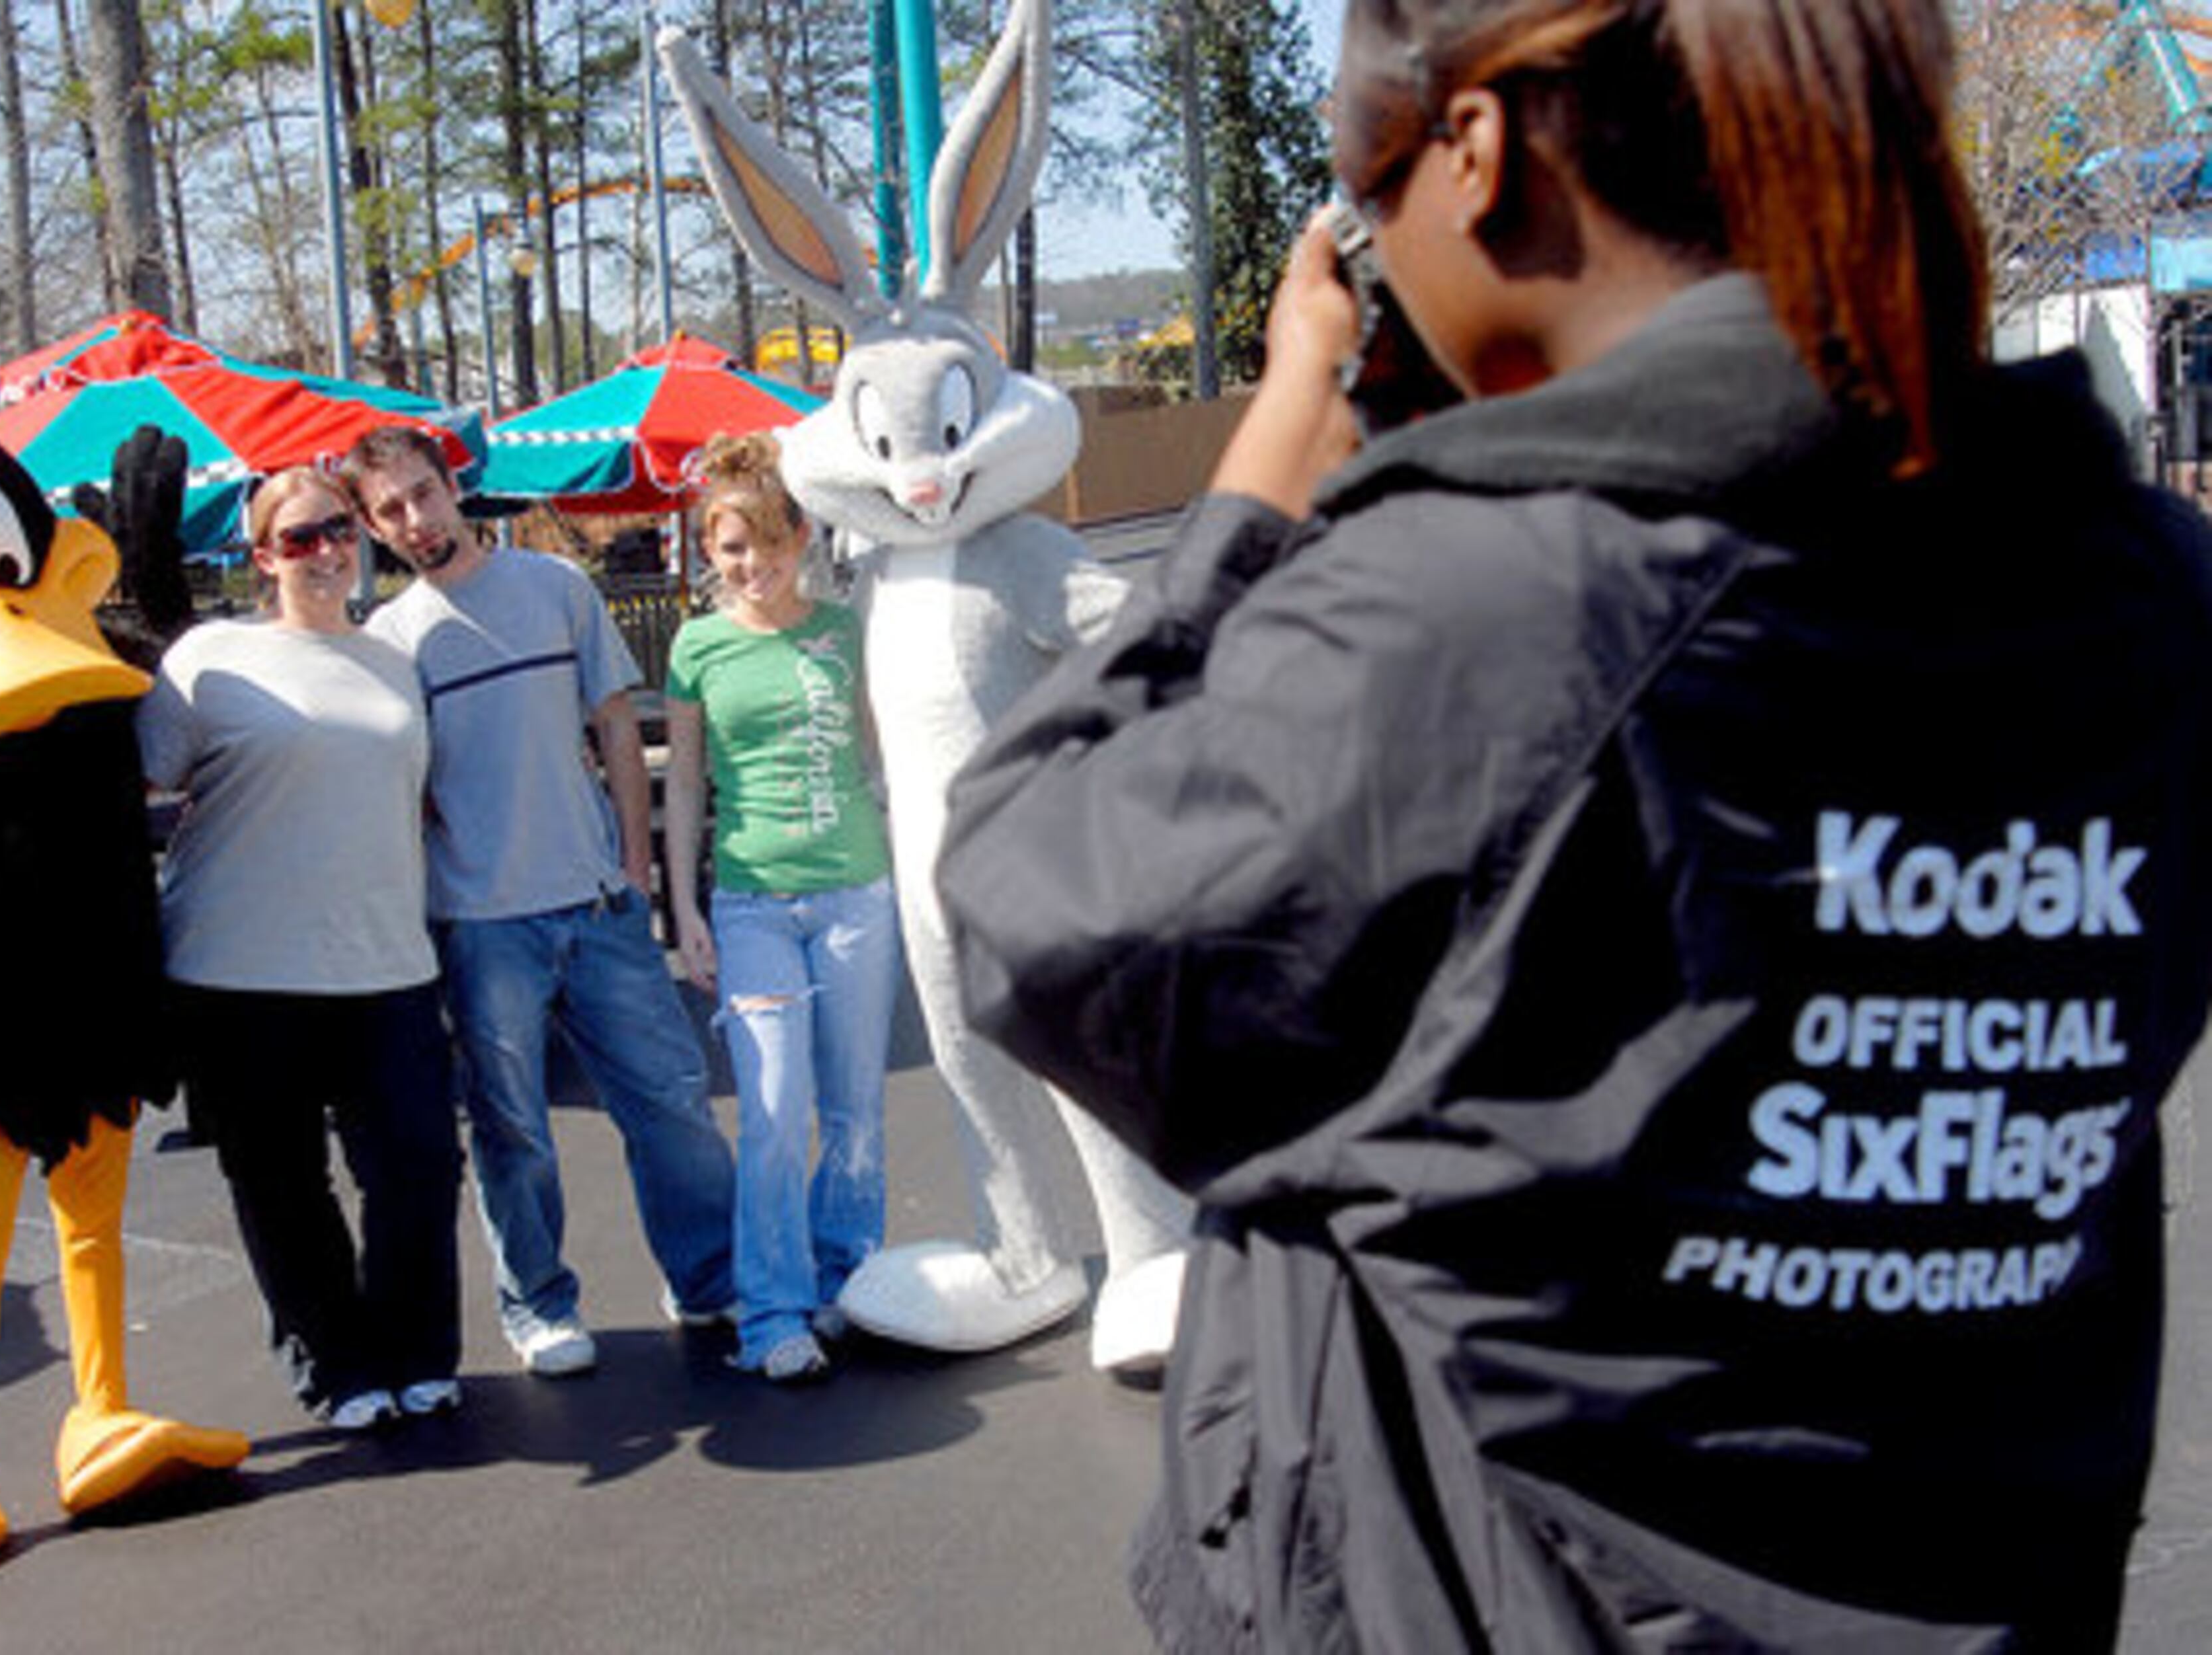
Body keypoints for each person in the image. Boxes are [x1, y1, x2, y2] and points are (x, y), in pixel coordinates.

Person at [935, 1, 2212, 1648]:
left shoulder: (1500, 616)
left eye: (1355, 198)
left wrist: (1269, 467)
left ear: (1475, 152)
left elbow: (1036, 901)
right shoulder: (2145, 596)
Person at [345, 426, 738, 1377]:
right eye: (390, 509)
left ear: (453, 488)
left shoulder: (555, 590)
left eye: (423, 495)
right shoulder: (389, 645)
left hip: (597, 902)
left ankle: (712, 1282)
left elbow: (613, 727)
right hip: (481, 924)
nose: (415, 519)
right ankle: (540, 1306)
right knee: (513, 1129)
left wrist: (633, 869)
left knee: (673, 1103)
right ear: (371, 526)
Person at [138, 465, 465, 1431]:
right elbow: (134, 785)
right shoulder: (211, 660)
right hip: (240, 973)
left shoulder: (395, 660)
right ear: (261, 559)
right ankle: (337, 1364)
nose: (322, 551)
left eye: (336, 530)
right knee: (283, 1186)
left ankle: (416, 1351)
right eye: (297, 538)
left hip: (385, 963)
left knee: (417, 1168)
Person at [664, 434, 902, 1383]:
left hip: (855, 897)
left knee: (853, 1110)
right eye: (730, 547)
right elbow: (684, 786)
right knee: (772, 1112)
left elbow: (885, 762)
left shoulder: (845, 632)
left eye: (766, 541)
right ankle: (771, 1312)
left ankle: (849, 1280)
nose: (750, 564)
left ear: (801, 535)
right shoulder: (698, 646)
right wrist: (683, 908)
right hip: (753, 904)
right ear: (710, 552)